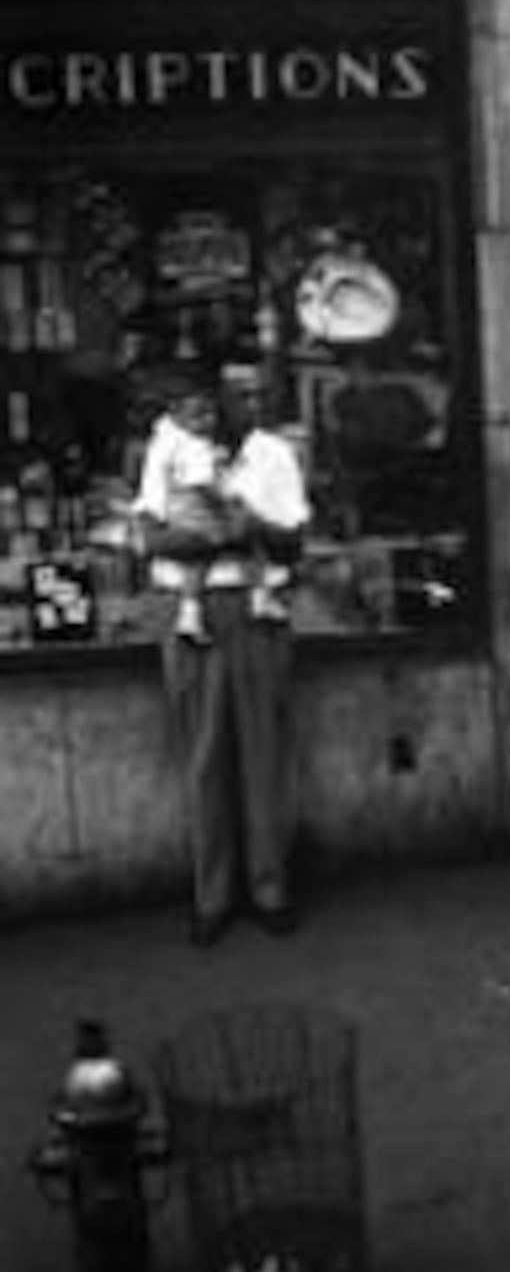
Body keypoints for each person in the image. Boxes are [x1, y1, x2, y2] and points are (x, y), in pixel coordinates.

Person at [132, 352, 310, 941]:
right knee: (205, 759)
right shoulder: (169, 449)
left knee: (263, 756)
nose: (245, 405)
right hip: (195, 614)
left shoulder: (274, 455)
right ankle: (213, 897)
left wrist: (253, 528)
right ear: (205, 399)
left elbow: (294, 544)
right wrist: (209, 537)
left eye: (256, 394)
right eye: (234, 394)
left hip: (258, 617)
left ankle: (270, 888)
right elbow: (149, 538)